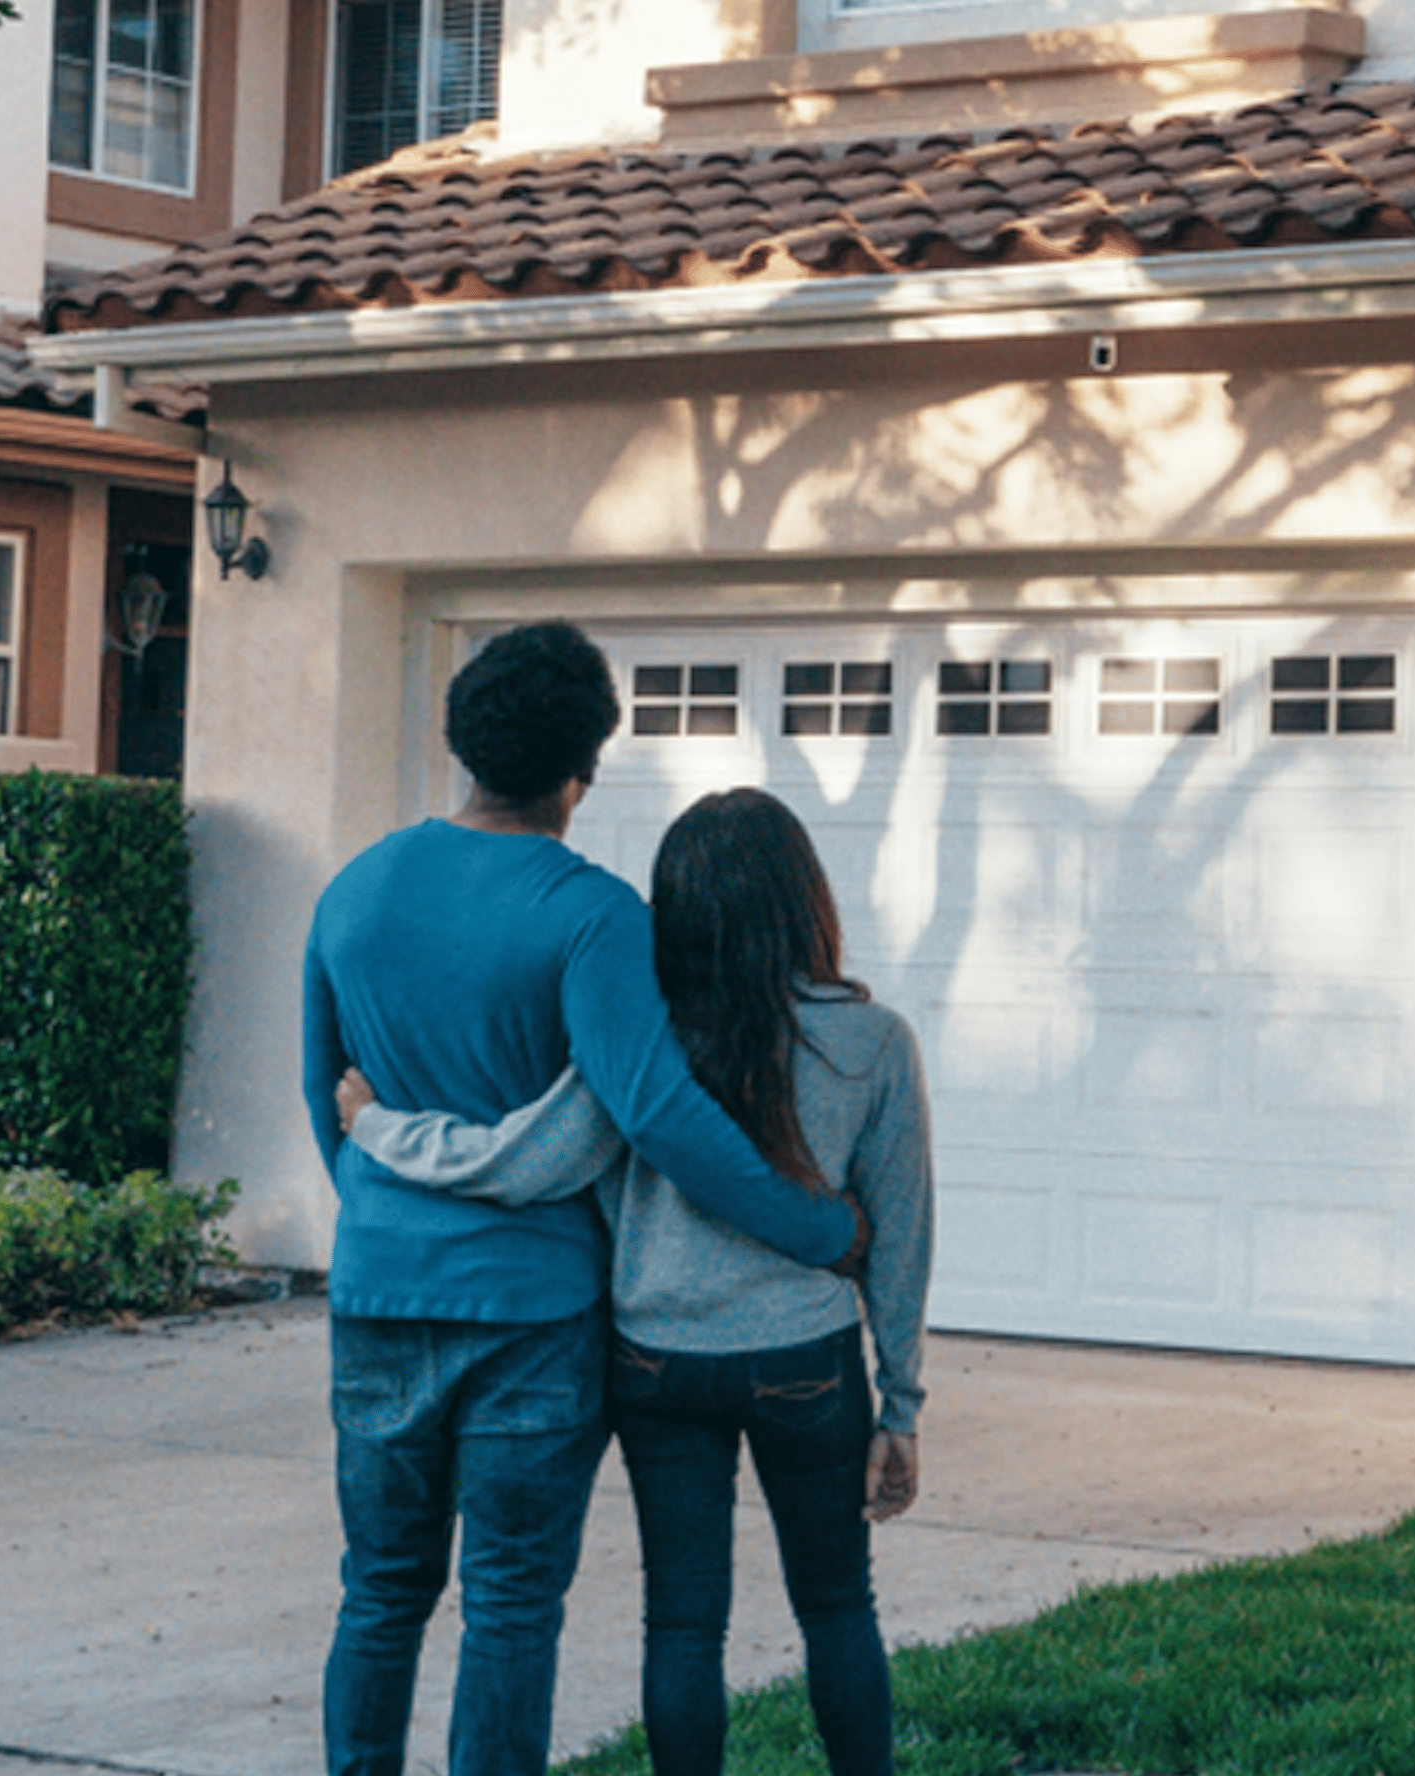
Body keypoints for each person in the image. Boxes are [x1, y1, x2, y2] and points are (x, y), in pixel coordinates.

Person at [300, 625, 866, 1776]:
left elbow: (327, 1099)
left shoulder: (351, 892)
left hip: (377, 1292)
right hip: (532, 1316)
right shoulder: (595, 915)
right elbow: (661, 1115)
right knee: (508, 1604)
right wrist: (816, 1228)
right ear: (581, 771)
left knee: (379, 1592)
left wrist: (389, 1223)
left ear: (460, 743)